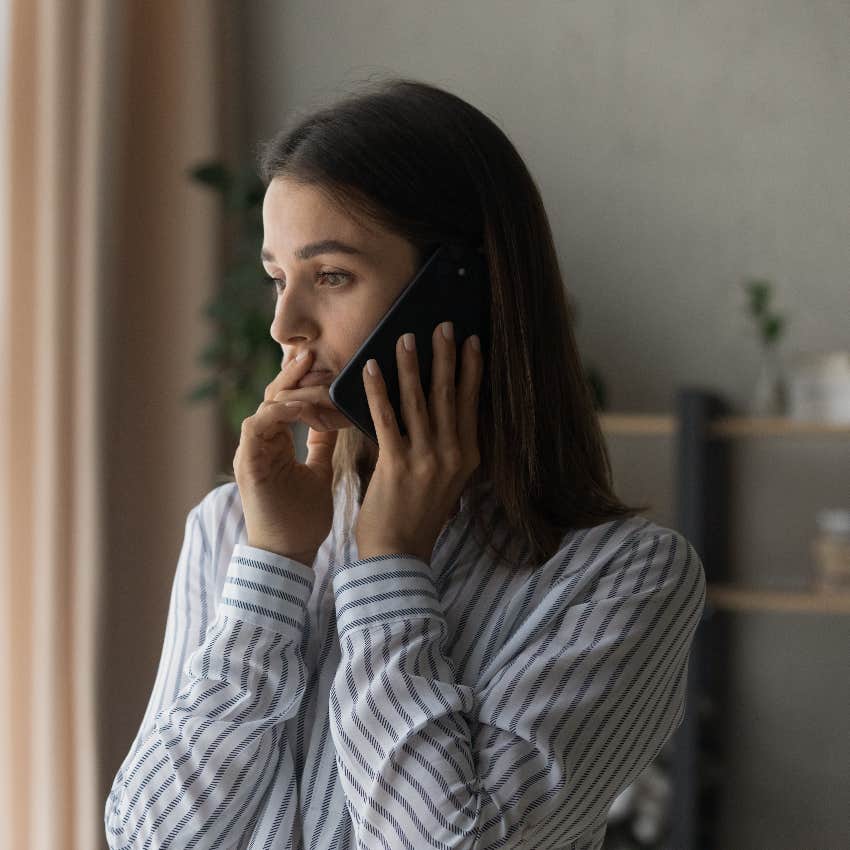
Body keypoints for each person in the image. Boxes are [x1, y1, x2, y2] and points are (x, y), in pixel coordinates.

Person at [105, 77, 706, 850]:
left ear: (460, 295)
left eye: (331, 276)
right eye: (277, 279)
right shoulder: (235, 530)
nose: (285, 324)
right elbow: (150, 838)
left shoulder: (623, 578)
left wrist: (389, 568)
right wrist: (272, 569)